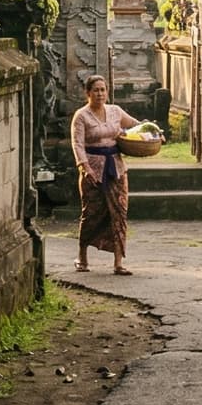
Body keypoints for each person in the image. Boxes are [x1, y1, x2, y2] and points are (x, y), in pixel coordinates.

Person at [72, 75, 147, 274]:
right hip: (93, 170)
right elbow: (78, 144)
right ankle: (82, 256)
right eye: (95, 90)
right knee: (91, 213)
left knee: (119, 213)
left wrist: (154, 133)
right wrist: (85, 168)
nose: (100, 94)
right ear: (88, 93)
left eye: (103, 90)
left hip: (116, 168)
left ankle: (118, 263)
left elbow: (136, 125)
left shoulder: (115, 111)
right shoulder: (81, 116)